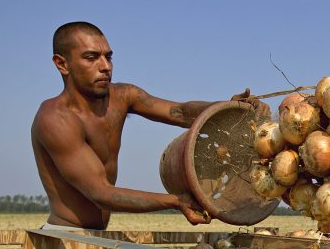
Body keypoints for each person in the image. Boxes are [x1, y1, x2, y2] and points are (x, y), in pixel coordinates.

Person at [31, 21, 269, 230]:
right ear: (62, 64)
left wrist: (228, 108)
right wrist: (176, 201)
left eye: (108, 56)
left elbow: (180, 112)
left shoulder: (123, 96)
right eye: (92, 57)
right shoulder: (55, 119)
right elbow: (100, 193)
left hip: (99, 235)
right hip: (65, 235)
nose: (105, 66)